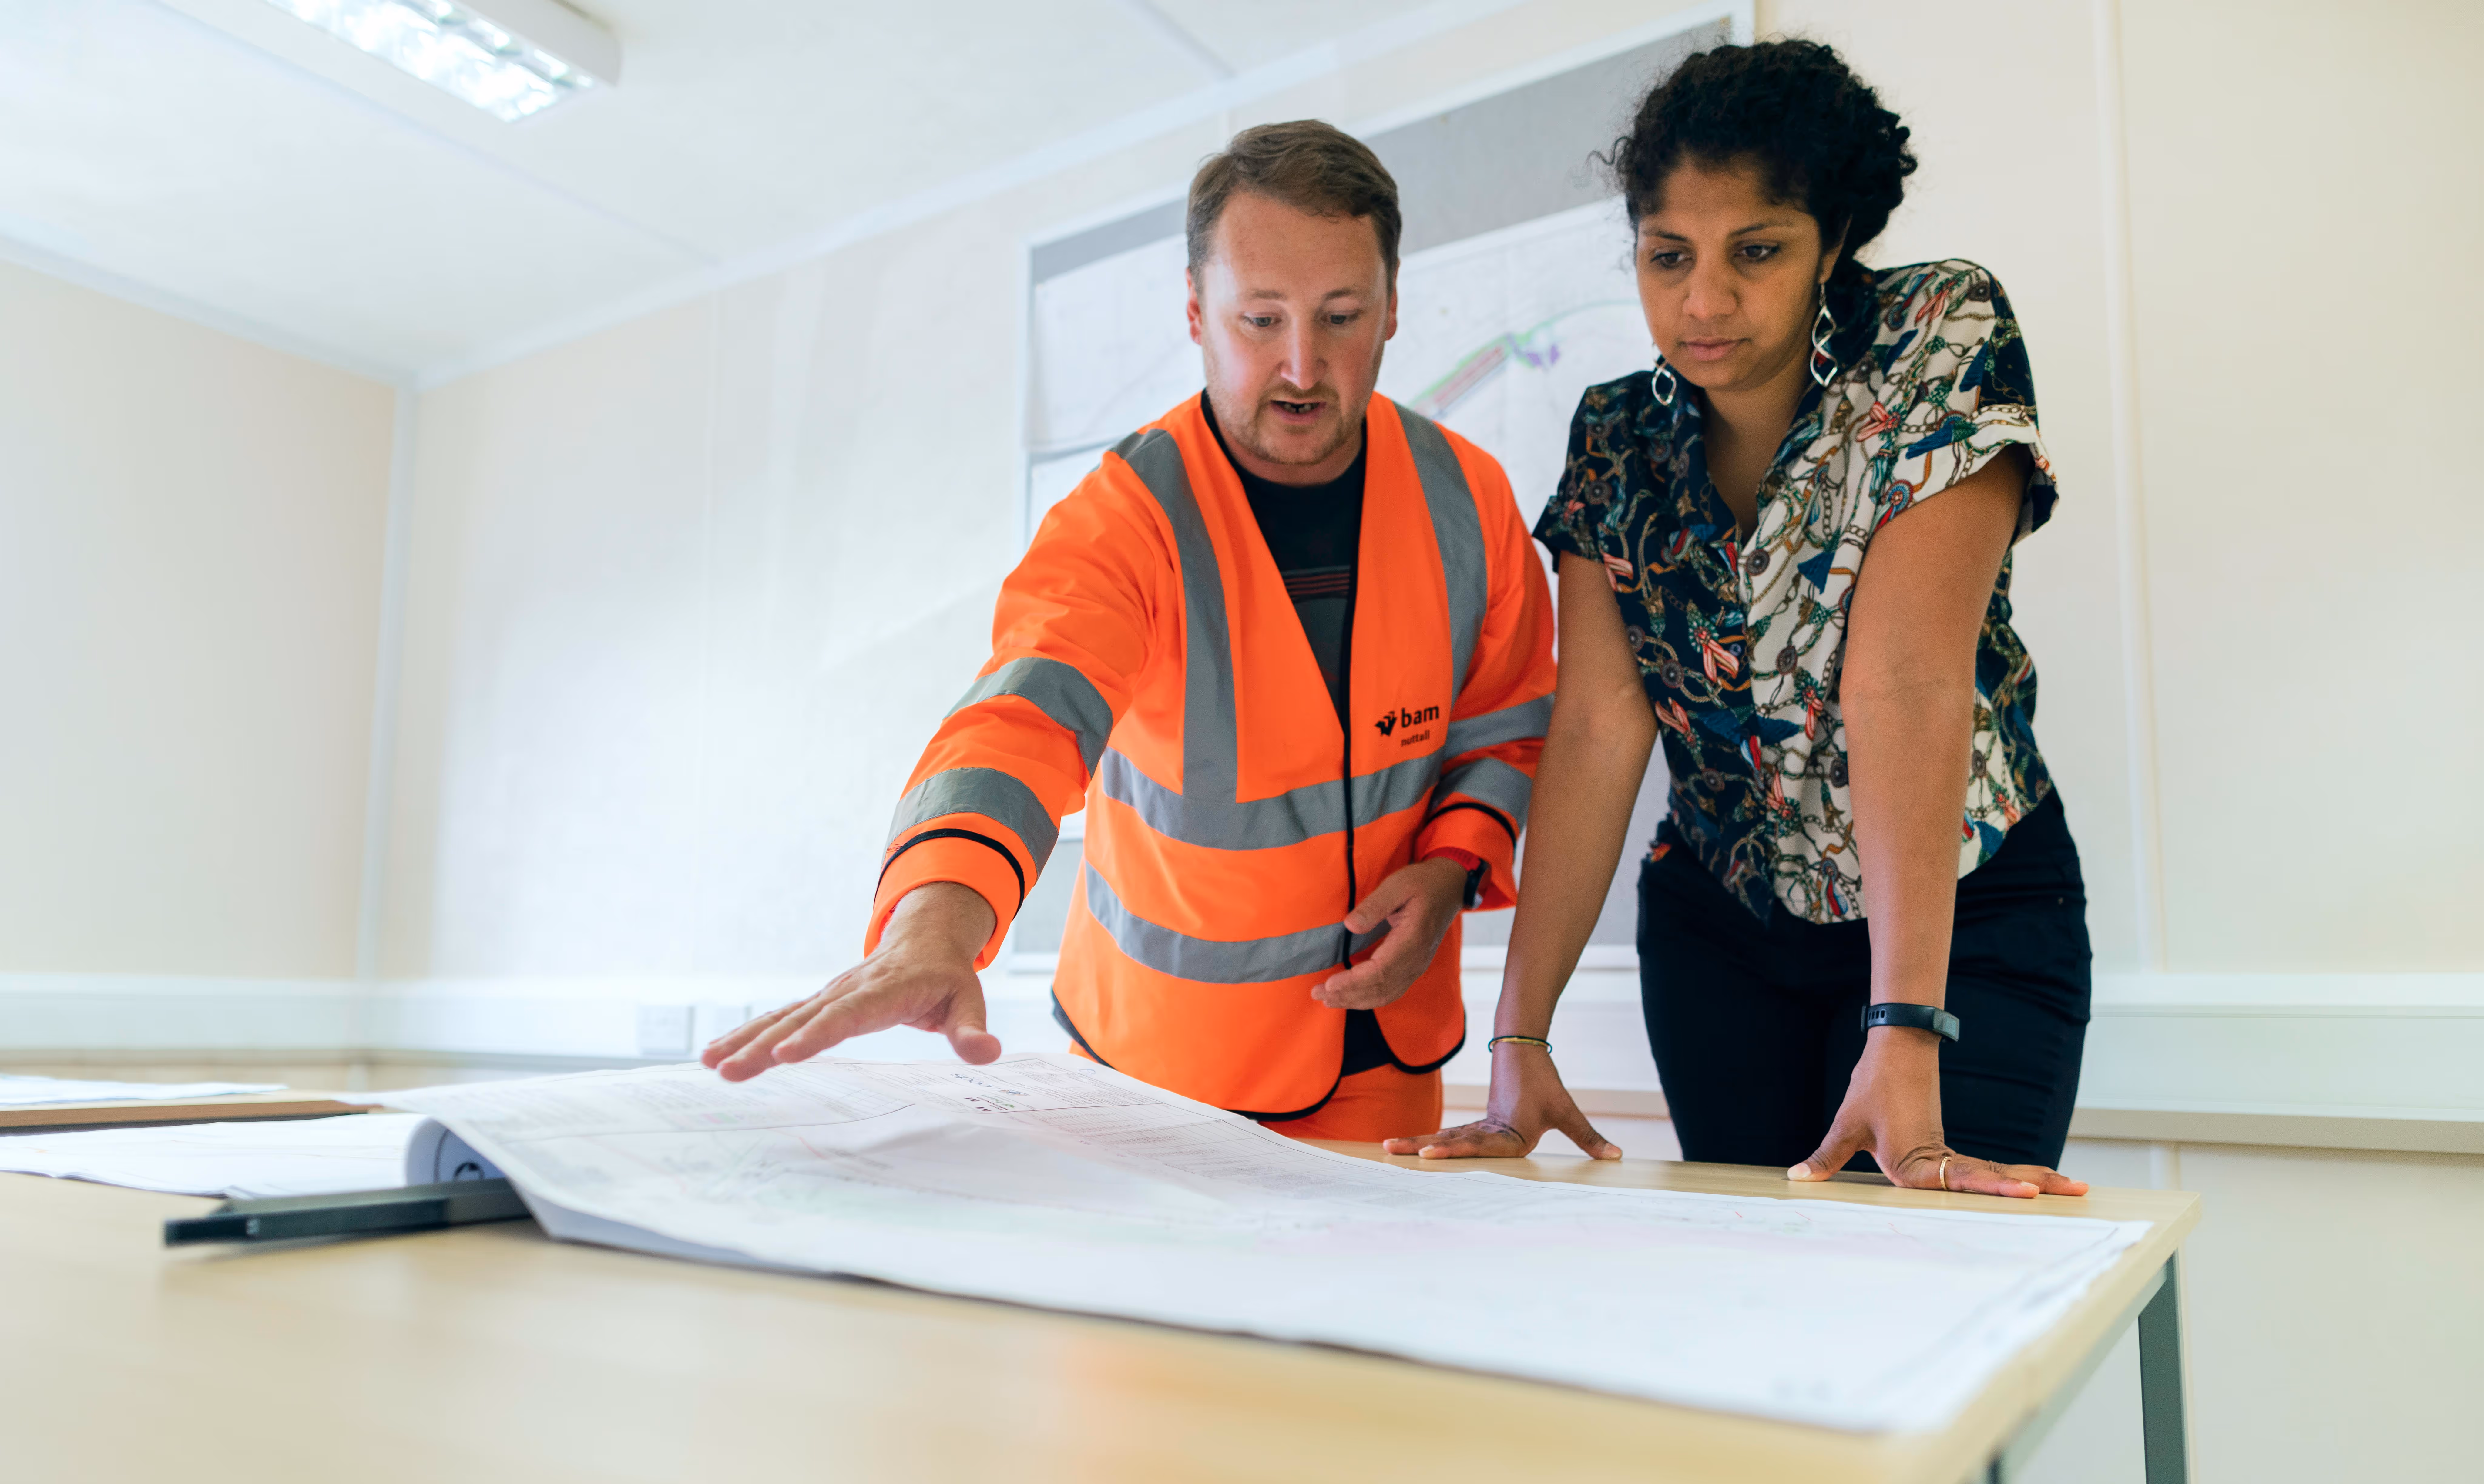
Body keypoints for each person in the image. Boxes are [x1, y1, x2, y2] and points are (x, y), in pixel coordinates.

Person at [702, 121, 1557, 1144]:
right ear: (1195, 312)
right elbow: (1022, 721)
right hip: (1160, 1076)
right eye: (1260, 320)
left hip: (1385, 1057)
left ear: (1393, 308)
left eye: (1342, 317)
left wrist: (1454, 865)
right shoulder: (1123, 519)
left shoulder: (1470, 499)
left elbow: (1504, 725)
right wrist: (934, 926)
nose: (1302, 365)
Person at [1386, 40, 2094, 1197]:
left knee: (1932, 1270)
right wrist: (1519, 1039)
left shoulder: (1936, 335)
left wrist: (1903, 1027)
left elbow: (1902, 683)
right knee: (1760, 1284)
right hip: (1721, 937)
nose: (1704, 301)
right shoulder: (1617, 437)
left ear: (1832, 242)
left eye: (1756, 252)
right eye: (1668, 256)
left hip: (1961, 919)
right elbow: (1599, 728)